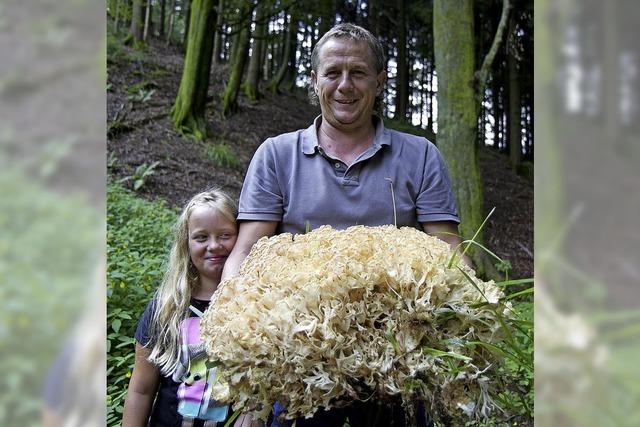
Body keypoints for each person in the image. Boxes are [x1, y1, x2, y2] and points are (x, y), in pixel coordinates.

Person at [222, 22, 465, 427]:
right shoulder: (277, 155)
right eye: (333, 73)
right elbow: (247, 249)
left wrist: (466, 310)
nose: (345, 85)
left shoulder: (420, 155)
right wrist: (231, 325)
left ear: (380, 80)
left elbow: (448, 248)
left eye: (358, 73)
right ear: (314, 80)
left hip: (396, 358)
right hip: (298, 361)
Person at [123, 189, 249, 427]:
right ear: (186, 243)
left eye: (225, 235)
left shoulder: (253, 305)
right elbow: (140, 390)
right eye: (201, 237)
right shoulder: (167, 307)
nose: (214, 245)